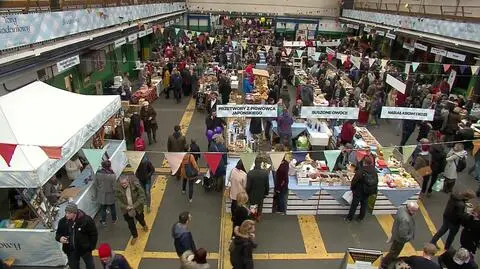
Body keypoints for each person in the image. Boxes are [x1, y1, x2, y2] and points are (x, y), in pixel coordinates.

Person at [55, 203, 98, 269]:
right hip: (71, 250)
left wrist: (91, 247)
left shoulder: (86, 220)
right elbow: (58, 234)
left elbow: (93, 234)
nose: (66, 215)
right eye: (66, 212)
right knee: (73, 266)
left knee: (90, 266)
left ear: (74, 213)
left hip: (85, 249)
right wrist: (60, 238)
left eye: (69, 213)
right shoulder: (63, 222)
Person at [381, 202, 419, 269]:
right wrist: (409, 237)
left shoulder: (402, 209)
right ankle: (385, 263)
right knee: (394, 252)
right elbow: (403, 235)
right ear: (410, 209)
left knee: (393, 250)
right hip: (399, 239)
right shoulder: (405, 219)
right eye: (414, 211)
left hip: (396, 233)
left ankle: (386, 260)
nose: (415, 213)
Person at [115, 176, 148, 245]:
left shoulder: (135, 185)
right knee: (130, 224)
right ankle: (135, 236)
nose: (123, 185)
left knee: (140, 218)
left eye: (125, 183)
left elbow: (142, 196)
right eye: (122, 183)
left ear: (128, 181)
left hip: (137, 208)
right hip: (126, 210)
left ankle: (143, 224)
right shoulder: (118, 188)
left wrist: (134, 205)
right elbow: (117, 199)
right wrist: (125, 206)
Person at [345, 156, 377, 222]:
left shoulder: (361, 171)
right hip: (368, 190)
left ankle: (349, 218)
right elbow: (376, 180)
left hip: (359, 191)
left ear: (364, 162)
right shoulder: (373, 170)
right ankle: (361, 217)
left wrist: (352, 188)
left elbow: (354, 180)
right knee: (364, 204)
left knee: (354, 205)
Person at [246, 157, 270, 221]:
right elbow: (267, 185)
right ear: (261, 164)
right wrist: (266, 193)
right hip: (261, 193)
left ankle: (252, 216)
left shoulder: (250, 173)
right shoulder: (265, 173)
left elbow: (248, 186)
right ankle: (259, 216)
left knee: (252, 205)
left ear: (254, 163)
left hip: (252, 194)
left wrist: (247, 192)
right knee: (260, 205)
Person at [95, 160, 117, 227]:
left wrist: (100, 189)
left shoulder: (98, 173)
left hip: (102, 194)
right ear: (110, 166)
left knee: (103, 209)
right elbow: (114, 187)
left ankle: (103, 221)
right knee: (112, 207)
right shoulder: (112, 175)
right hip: (110, 194)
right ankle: (114, 219)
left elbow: (96, 184)